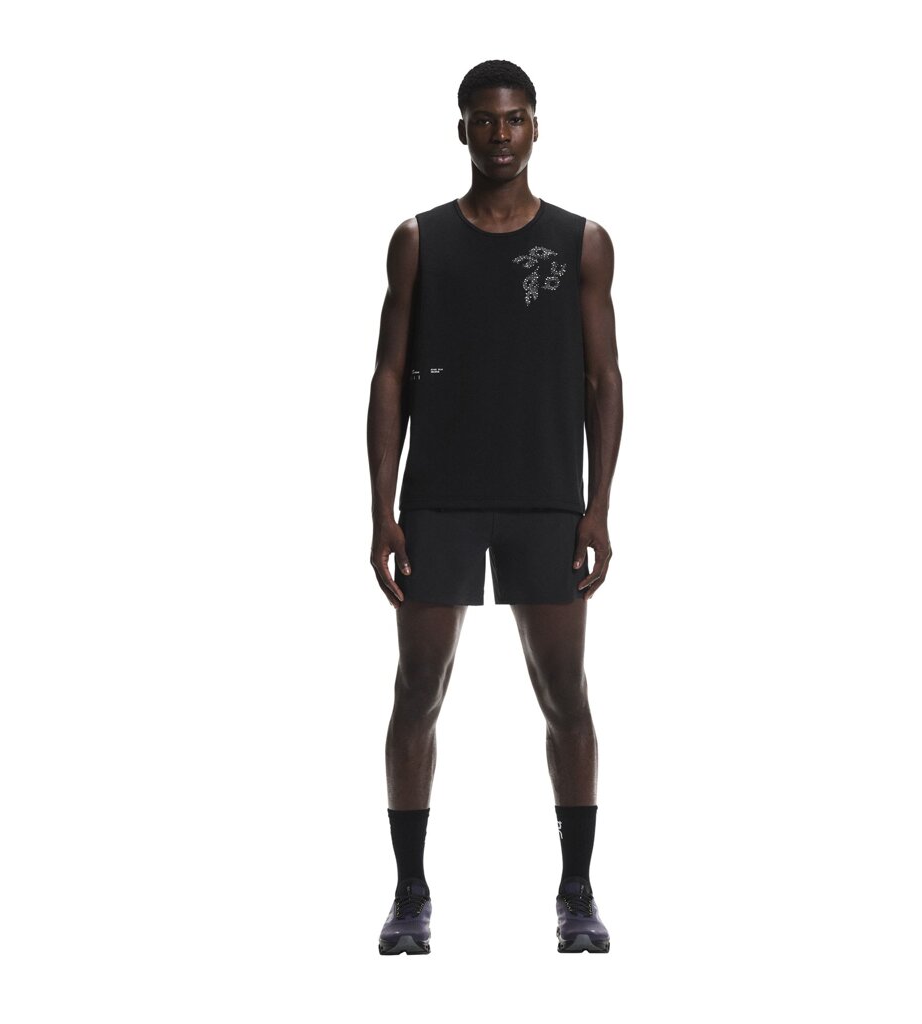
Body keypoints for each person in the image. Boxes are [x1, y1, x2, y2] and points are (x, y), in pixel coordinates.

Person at [367, 59, 623, 955]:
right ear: (463, 129)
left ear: (535, 126)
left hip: (545, 495)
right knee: (417, 691)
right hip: (439, 497)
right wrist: (382, 510)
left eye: (514, 119)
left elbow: (604, 379)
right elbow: (388, 376)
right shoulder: (419, 240)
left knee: (565, 695)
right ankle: (409, 894)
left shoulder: (582, 242)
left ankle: (577, 892)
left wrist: (598, 506)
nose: (500, 135)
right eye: (484, 120)